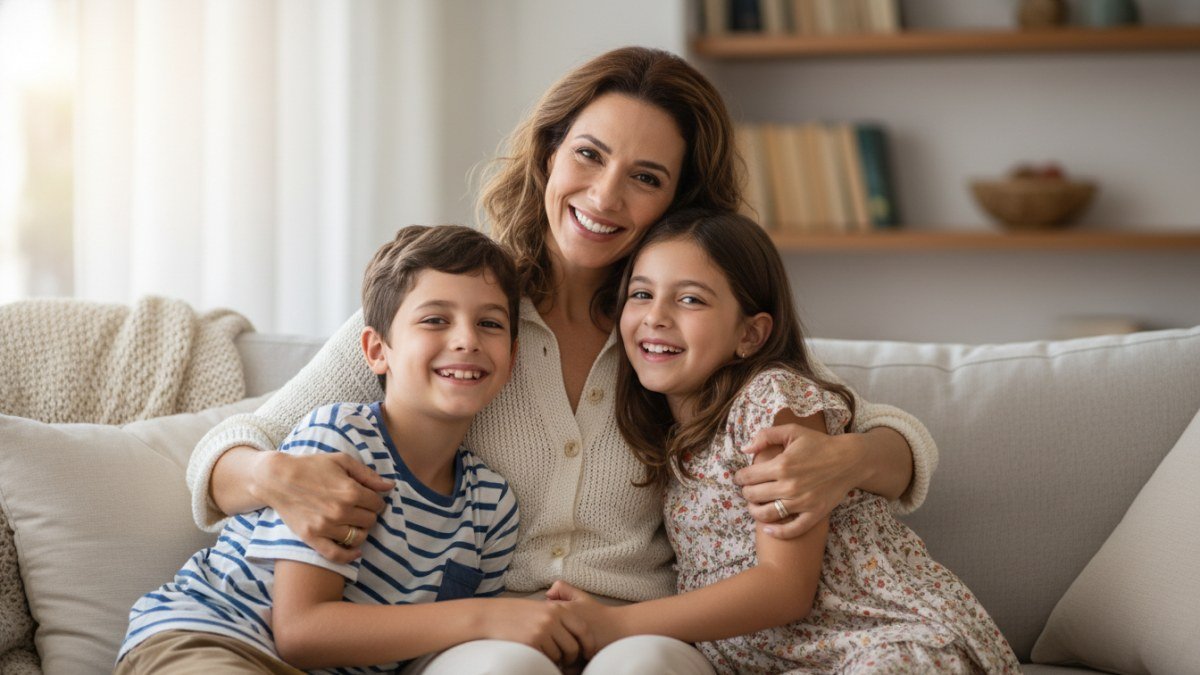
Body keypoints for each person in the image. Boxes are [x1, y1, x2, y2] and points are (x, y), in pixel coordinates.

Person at [187, 46, 938, 672]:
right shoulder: (456, 314)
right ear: (549, 154)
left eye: (646, 177)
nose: (605, 196)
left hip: (643, 632)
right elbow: (232, 445)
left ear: (678, 202)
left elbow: (882, 431)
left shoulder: (675, 331)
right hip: (488, 633)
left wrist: (850, 458)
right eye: (589, 155)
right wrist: (275, 475)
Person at [547, 208, 1020, 673]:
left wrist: (616, 624)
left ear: (751, 334)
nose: (656, 316)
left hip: (881, 639)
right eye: (641, 294)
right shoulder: (669, 431)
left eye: (690, 300)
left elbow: (784, 587)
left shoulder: (771, 403)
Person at [117, 225, 554, 674]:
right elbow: (301, 633)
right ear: (377, 350)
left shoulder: (492, 506)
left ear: (512, 358)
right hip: (214, 639)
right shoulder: (339, 437)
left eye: (489, 323)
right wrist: (484, 617)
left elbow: (440, 647)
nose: (467, 339)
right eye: (435, 320)